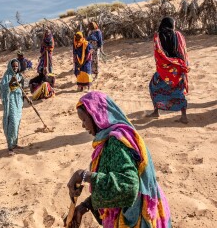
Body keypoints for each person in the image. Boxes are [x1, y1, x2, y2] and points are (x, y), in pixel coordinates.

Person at [66, 91, 172, 227]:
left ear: (97, 116)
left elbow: (128, 186)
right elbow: (116, 180)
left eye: (84, 120)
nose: (83, 125)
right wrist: (85, 206)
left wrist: (84, 175)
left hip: (138, 220)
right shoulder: (112, 139)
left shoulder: (117, 142)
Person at [147, 17, 189, 124]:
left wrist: (164, 63)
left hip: (164, 69)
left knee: (153, 86)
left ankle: (156, 111)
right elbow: (183, 50)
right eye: (174, 24)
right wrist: (184, 65)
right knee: (179, 90)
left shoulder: (158, 36)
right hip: (177, 67)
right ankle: (183, 116)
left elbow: (158, 53)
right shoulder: (177, 35)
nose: (174, 26)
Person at [0, 59, 30, 156]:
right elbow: (3, 89)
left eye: (16, 66)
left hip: (18, 102)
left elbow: (22, 89)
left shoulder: (19, 76)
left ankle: (15, 143)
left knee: (17, 123)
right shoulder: (7, 76)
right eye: (13, 66)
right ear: (10, 66)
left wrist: (26, 98)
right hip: (11, 102)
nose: (15, 68)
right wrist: (10, 83)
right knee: (12, 122)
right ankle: (10, 147)